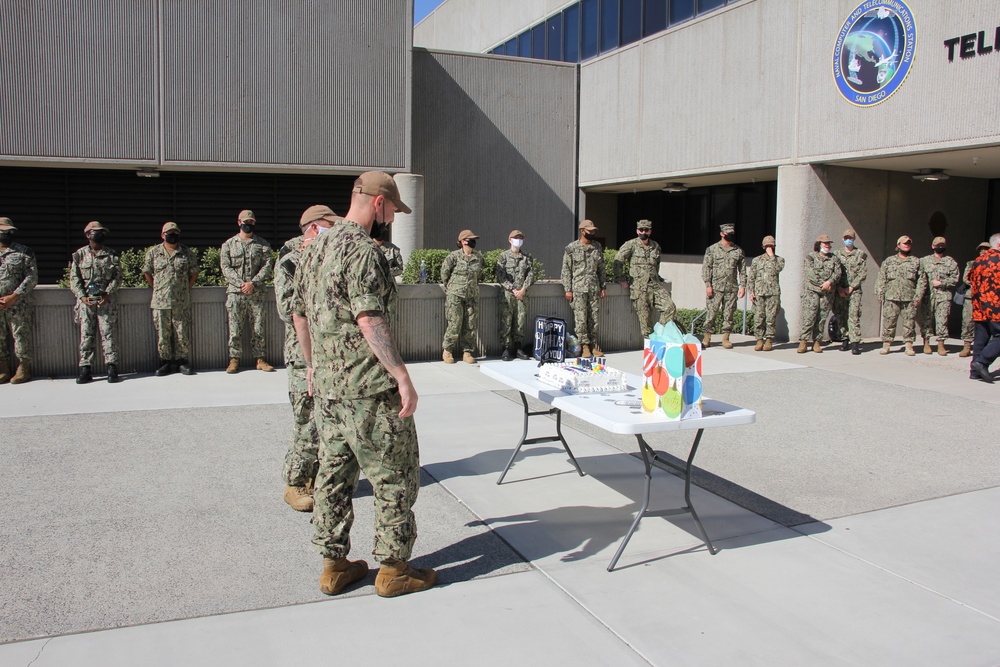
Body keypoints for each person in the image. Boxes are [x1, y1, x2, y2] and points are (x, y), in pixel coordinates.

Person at [292, 171, 434, 598]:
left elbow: (299, 315)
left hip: (330, 391)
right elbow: (369, 318)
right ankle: (394, 570)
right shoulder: (363, 252)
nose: (393, 216)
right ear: (378, 203)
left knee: (334, 476)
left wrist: (313, 366)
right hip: (369, 390)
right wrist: (402, 376)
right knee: (394, 475)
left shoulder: (313, 248)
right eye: (393, 208)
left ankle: (333, 566)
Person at [274, 205, 338, 512]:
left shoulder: (326, 256)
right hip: (303, 355)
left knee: (326, 419)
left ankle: (315, 477)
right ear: (313, 228)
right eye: (327, 226)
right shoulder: (291, 260)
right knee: (308, 419)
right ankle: (295, 482)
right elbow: (290, 310)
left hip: (327, 351)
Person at [220, 209, 274, 373]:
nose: (248, 225)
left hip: (256, 293)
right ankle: (234, 360)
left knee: (258, 327)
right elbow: (225, 267)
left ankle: (260, 359)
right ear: (239, 223)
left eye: (251, 223)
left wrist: (253, 283)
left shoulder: (262, 244)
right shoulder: (228, 245)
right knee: (235, 328)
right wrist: (242, 284)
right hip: (236, 293)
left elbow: (267, 265)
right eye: (245, 222)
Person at [142, 222, 199, 376]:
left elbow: (194, 272)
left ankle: (182, 362)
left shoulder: (186, 252)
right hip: (161, 302)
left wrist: (186, 288)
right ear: (163, 235)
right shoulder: (154, 253)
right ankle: (164, 362)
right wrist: (156, 288)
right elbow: (147, 272)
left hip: (181, 301)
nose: (172, 235)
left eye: (175, 232)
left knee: (181, 333)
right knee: (163, 334)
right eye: (169, 232)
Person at [69, 221, 122, 383]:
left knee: (108, 334)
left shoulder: (111, 255)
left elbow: (117, 277)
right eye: (95, 232)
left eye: (101, 232)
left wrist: (108, 293)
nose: (99, 234)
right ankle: (85, 368)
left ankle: (112, 367)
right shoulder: (79, 255)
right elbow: (74, 279)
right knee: (86, 335)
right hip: (86, 303)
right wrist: (82, 296)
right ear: (87, 235)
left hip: (105, 302)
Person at [614, 219, 676, 338]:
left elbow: (656, 265)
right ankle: (650, 346)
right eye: (641, 230)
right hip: (639, 288)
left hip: (654, 285)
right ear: (637, 231)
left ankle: (659, 333)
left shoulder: (655, 246)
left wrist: (658, 277)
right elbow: (618, 260)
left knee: (670, 307)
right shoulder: (630, 245)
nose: (643, 232)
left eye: (646, 230)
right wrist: (620, 278)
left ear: (650, 231)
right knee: (645, 320)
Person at [0, 217, 38, 384]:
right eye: (3, 231)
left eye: (9, 231)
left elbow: (32, 277)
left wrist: (14, 296)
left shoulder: (24, 252)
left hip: (17, 303)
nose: (6, 234)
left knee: (20, 335)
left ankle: (23, 367)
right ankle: (3, 368)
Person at [561, 220, 606, 358]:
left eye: (593, 231)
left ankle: (594, 345)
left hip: (593, 288)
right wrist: (568, 289)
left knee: (594, 318)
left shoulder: (597, 247)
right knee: (581, 319)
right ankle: (585, 346)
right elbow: (566, 270)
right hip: (578, 289)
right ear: (582, 231)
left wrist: (602, 286)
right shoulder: (571, 248)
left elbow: (601, 269)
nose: (592, 233)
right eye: (589, 231)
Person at [441, 229, 483, 364]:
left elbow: (480, 275)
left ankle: (467, 352)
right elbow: (444, 273)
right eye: (470, 239)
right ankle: (448, 350)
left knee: (470, 324)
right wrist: (452, 287)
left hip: (472, 295)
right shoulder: (453, 256)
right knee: (455, 322)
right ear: (463, 241)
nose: (473, 242)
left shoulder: (478, 258)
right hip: (455, 295)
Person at [701, 223, 746, 349]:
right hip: (716, 287)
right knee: (711, 313)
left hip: (731, 288)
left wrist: (743, 286)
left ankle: (726, 338)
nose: (730, 235)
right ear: (721, 233)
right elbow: (706, 268)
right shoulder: (712, 249)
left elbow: (742, 271)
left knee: (729, 313)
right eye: (727, 234)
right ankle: (707, 337)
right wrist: (708, 285)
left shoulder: (738, 251)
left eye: (732, 233)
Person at [875, 235, 921, 356]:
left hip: (909, 297)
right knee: (889, 322)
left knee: (909, 323)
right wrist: (880, 294)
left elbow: (922, 281)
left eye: (909, 244)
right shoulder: (889, 261)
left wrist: (918, 296)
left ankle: (909, 346)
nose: (907, 245)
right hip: (891, 297)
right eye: (904, 243)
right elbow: (881, 278)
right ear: (898, 245)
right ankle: (886, 345)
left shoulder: (916, 262)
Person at [914, 236, 960, 356]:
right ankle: (927, 343)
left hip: (943, 296)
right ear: (932, 246)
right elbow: (919, 278)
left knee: (942, 320)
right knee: (926, 320)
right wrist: (918, 295)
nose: (940, 247)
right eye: (937, 245)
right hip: (928, 297)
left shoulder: (950, 262)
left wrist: (942, 283)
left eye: (942, 245)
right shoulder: (924, 261)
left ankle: (941, 344)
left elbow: (955, 279)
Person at [797, 234, 842, 353]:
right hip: (812, 291)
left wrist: (830, 282)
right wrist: (823, 284)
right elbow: (810, 273)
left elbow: (837, 273)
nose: (827, 245)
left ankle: (817, 342)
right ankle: (803, 341)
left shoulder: (834, 258)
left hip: (827, 293)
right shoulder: (811, 257)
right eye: (824, 243)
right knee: (809, 317)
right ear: (819, 244)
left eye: (828, 243)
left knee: (822, 318)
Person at [496, 229, 534, 361]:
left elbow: (531, 274)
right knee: (506, 321)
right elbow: (500, 276)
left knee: (520, 321)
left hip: (522, 295)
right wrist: (513, 289)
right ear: (510, 240)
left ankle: (518, 348)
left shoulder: (527, 257)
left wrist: (523, 289)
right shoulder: (503, 257)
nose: (518, 240)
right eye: (516, 238)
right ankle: (505, 349)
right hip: (508, 295)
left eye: (520, 238)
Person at [968, 232, 1000, 383]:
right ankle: (982, 361)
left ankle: (975, 372)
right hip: (996, 306)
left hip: (979, 305)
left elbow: (969, 278)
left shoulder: (978, 260)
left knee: (981, 337)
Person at [747, 235, 784, 351]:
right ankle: (759, 339)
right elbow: (751, 277)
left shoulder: (779, 260)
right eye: (767, 246)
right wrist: (751, 291)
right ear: (763, 246)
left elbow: (777, 269)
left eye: (771, 246)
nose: (769, 248)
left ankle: (769, 340)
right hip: (759, 293)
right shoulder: (757, 260)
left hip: (773, 293)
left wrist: (772, 256)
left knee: (771, 317)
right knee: (759, 317)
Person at [834, 228, 868, 355]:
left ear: (854, 239)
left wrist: (852, 287)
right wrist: (839, 288)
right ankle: (845, 339)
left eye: (851, 238)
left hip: (854, 290)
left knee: (853, 315)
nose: (848, 240)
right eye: (846, 238)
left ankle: (855, 342)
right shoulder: (836, 254)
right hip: (840, 290)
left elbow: (862, 273)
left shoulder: (861, 254)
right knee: (841, 315)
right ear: (843, 239)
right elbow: (834, 272)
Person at [959, 242, 992, 358]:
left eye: (986, 249)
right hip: (972, 297)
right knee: (968, 321)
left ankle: (988, 349)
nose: (983, 251)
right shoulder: (972, 264)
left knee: (988, 323)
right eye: (981, 249)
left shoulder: (994, 264)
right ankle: (967, 346)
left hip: (988, 298)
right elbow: (966, 278)